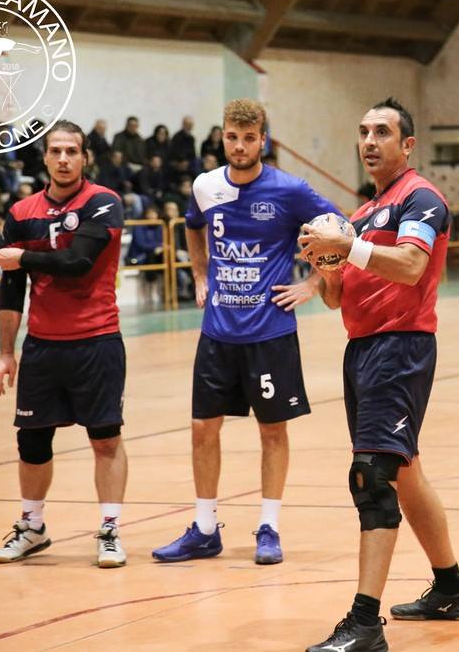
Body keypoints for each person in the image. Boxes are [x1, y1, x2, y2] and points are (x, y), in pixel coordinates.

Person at [299, 98, 459, 652]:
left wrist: (347, 247)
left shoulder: (420, 198)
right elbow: (336, 300)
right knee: (405, 474)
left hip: (400, 349)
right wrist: (324, 265)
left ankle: (364, 624)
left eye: (382, 131)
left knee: (372, 477)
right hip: (362, 352)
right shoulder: (359, 215)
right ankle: (451, 590)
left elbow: (411, 266)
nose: (370, 141)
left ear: (407, 145)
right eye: (363, 132)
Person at [151, 98, 341, 566]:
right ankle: (204, 529)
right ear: (222, 137)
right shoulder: (205, 186)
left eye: (249, 138)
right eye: (232, 138)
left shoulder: (289, 189)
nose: (239, 146)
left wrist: (313, 283)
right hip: (218, 332)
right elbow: (192, 226)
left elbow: (340, 229)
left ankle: (269, 527)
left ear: (263, 140)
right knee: (202, 428)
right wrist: (199, 274)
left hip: (270, 332)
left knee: (271, 430)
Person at [0, 120, 129, 568]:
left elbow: (78, 261)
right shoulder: (21, 213)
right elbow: (12, 289)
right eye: (56, 151)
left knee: (105, 438)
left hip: (97, 341)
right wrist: (6, 353)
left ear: (85, 157)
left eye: (72, 151)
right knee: (32, 441)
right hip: (43, 347)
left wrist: (24, 256)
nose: (64, 159)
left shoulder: (103, 202)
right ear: (45, 157)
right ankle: (32, 527)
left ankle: (109, 530)